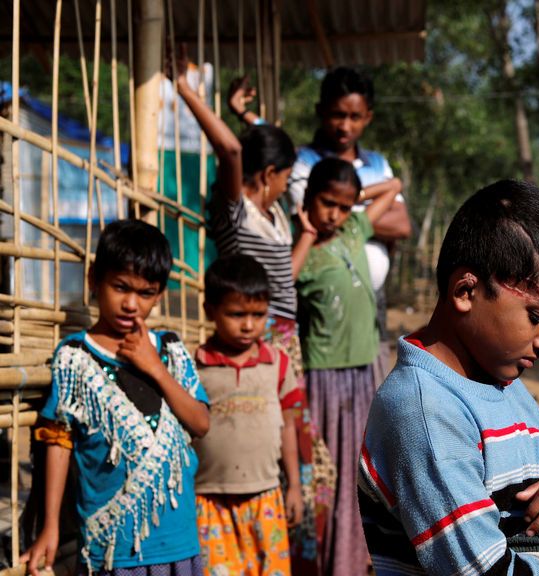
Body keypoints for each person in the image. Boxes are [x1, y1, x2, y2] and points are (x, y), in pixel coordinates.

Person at [358, 179, 539, 575]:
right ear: (465, 291)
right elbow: (487, 570)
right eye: (538, 316)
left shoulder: (505, 385)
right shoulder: (424, 411)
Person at [177, 56, 332, 574]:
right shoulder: (235, 213)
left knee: (299, 454)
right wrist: (188, 91)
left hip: (283, 339)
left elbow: (283, 279)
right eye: (283, 176)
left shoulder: (272, 215)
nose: (289, 185)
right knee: (283, 448)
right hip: (262, 342)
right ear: (267, 175)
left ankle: (296, 553)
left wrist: (246, 115)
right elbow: (232, 151)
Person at [21, 220, 210, 575]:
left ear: (160, 295)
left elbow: (200, 423)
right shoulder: (75, 357)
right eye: (120, 287)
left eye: (146, 293)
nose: (131, 304)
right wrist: (50, 526)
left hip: (179, 543)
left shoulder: (170, 350)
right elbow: (59, 440)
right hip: (112, 551)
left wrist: (156, 369)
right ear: (94, 279)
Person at [295, 157, 399, 575]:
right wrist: (306, 232)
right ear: (308, 198)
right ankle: (324, 560)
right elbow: (284, 281)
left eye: (344, 206)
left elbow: (393, 185)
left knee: (357, 473)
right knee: (327, 473)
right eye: (327, 203)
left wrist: (354, 199)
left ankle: (353, 558)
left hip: (362, 373)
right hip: (324, 378)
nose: (334, 214)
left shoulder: (355, 228)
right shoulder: (304, 250)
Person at [283, 66, 411, 388]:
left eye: (355, 117)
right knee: (322, 385)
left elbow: (401, 224)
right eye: (338, 115)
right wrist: (366, 208)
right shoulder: (303, 161)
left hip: (369, 299)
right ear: (320, 111)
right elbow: (314, 219)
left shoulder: (377, 164)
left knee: (369, 386)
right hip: (322, 300)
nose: (345, 125)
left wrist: (352, 200)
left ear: (368, 117)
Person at [192, 254, 305, 576]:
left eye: (258, 315)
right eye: (236, 314)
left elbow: (288, 427)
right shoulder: (194, 366)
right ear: (210, 311)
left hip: (265, 496)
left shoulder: (277, 363)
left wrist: (294, 486)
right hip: (210, 500)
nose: (248, 325)